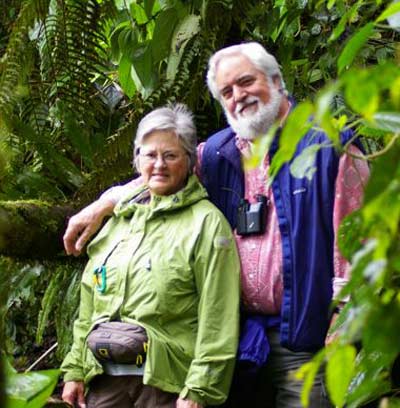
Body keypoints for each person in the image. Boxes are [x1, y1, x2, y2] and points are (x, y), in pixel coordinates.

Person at [63, 43, 369, 407]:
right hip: (238, 338)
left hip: (308, 337)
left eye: (245, 82)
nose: (238, 96)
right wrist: (102, 204)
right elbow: (160, 171)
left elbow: (358, 241)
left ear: (275, 80)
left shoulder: (328, 146)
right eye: (227, 91)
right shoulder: (217, 153)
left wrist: (344, 322)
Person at [61, 104, 240, 408]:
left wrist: (200, 389)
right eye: (150, 155)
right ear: (137, 159)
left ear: (189, 160)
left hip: (166, 385)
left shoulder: (206, 224)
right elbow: (89, 306)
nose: (159, 164)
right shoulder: (118, 222)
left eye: (170, 155)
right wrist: (75, 370)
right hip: (105, 380)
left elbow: (219, 316)